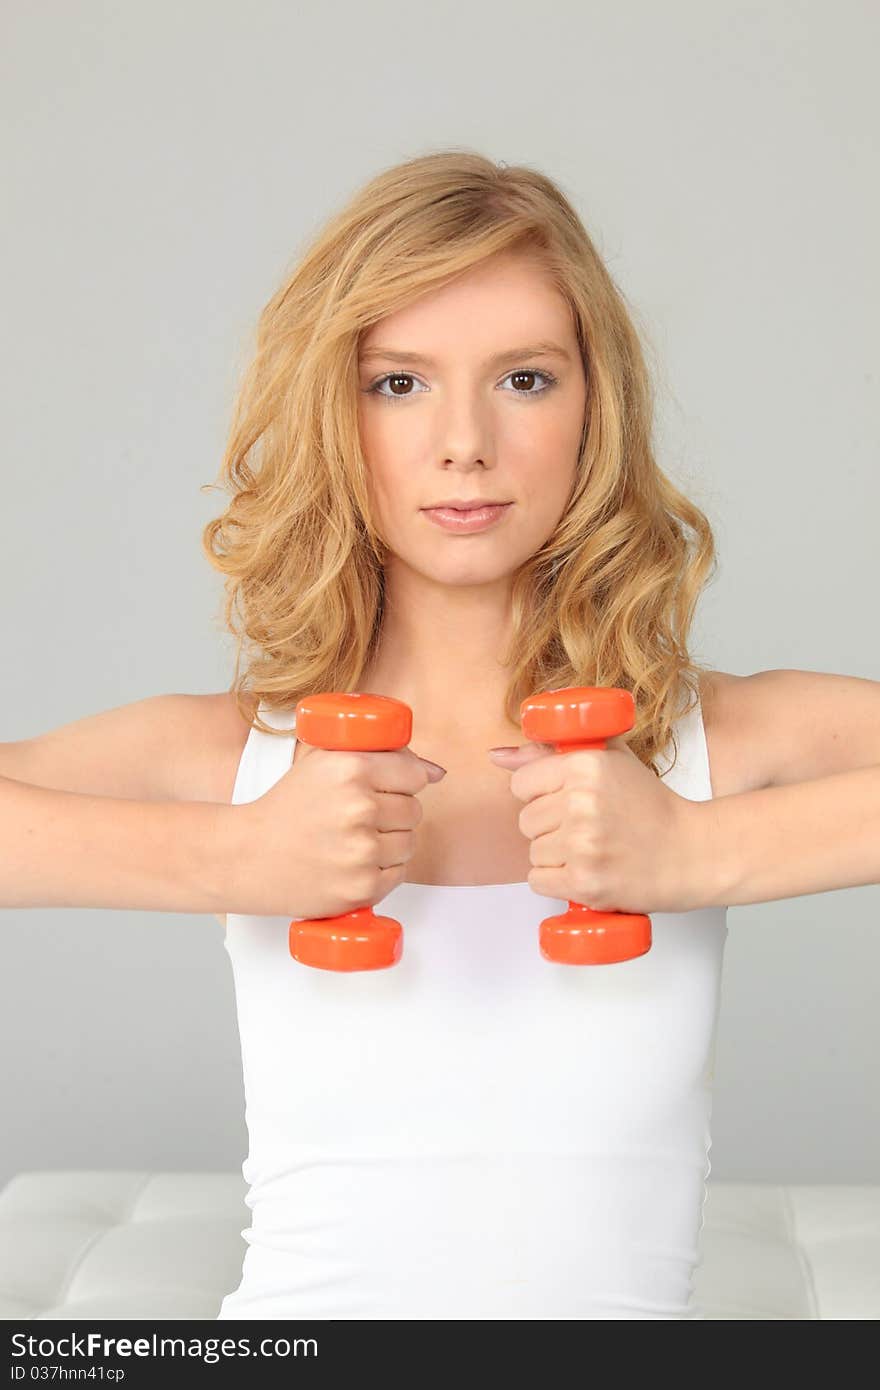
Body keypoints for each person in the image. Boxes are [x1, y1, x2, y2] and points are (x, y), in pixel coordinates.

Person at [7, 150, 875, 1318]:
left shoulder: (699, 741)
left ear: (593, 409)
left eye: (524, 378)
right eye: (397, 384)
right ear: (333, 411)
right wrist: (234, 860)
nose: (463, 441)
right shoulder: (240, 760)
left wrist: (697, 851)